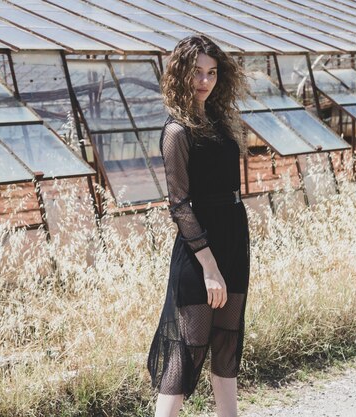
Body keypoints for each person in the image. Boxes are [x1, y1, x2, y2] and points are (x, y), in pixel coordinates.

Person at [147, 34, 250, 417]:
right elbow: (179, 205)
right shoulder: (176, 132)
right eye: (196, 73)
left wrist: (227, 258)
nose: (204, 81)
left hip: (234, 239)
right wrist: (209, 267)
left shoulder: (222, 123)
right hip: (198, 251)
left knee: (227, 345)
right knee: (187, 351)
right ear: (181, 75)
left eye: (211, 73)